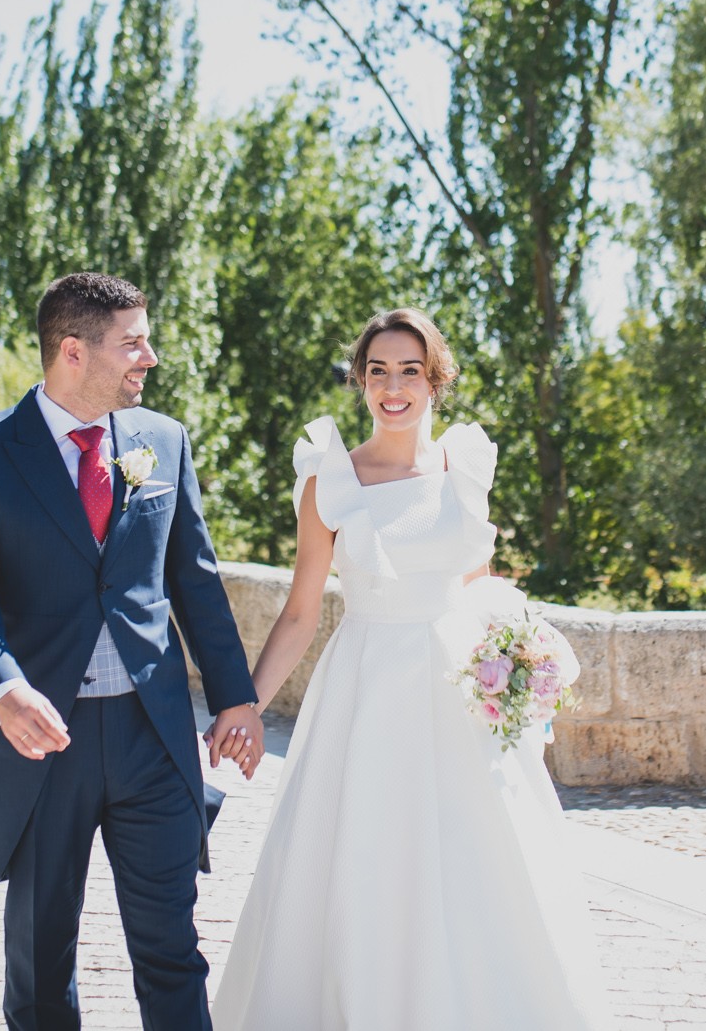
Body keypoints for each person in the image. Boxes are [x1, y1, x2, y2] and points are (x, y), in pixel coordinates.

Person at [208, 307, 613, 1030]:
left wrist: (523, 670)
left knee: (482, 864)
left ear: (435, 380)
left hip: (461, 699)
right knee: (367, 863)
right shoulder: (330, 481)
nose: (393, 387)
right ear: (360, 381)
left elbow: (480, 589)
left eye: (410, 371)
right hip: (367, 691)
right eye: (377, 371)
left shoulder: (464, 469)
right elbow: (301, 611)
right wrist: (245, 704)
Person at [0, 271, 263, 1031]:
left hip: (154, 737)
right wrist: (2, 687)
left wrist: (235, 695)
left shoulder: (163, 441)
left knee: (173, 949)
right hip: (44, 741)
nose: (150, 356)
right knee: (42, 961)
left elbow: (196, 580)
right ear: (72, 351)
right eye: (133, 343)